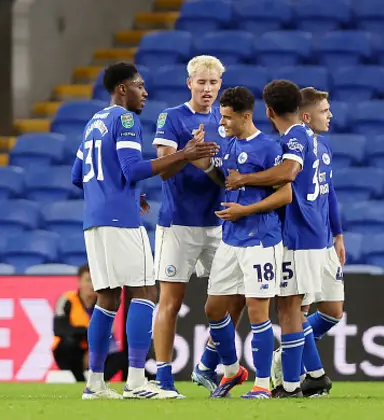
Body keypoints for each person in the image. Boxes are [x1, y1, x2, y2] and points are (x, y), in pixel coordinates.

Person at [71, 62, 219, 399]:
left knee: (107, 298)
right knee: (143, 293)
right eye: (139, 85)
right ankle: (136, 382)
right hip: (120, 221)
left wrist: (117, 191)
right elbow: (132, 168)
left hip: (93, 220)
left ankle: (95, 383)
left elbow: (77, 175)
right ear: (123, 88)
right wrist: (185, 153)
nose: (145, 93)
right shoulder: (125, 119)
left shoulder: (93, 121)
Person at [151, 55, 246, 396]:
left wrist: (212, 168)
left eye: (213, 82)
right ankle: (163, 378)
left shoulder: (229, 121)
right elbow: (162, 169)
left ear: (221, 84)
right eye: (201, 82)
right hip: (179, 223)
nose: (207, 88)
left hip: (219, 223)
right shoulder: (172, 117)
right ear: (188, 83)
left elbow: (230, 176)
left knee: (236, 297)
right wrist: (187, 153)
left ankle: (206, 363)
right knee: (171, 301)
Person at [226, 80, 327, 398]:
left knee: (290, 311)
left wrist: (245, 178)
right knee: (292, 310)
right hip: (307, 232)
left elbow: (287, 173)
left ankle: (293, 384)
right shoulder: (302, 135)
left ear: (268, 111)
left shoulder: (296, 135)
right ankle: (307, 378)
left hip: (299, 233)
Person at [191, 86, 292, 399]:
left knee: (258, 311)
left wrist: (244, 210)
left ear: (246, 116)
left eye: (228, 117)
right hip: (231, 238)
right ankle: (233, 371)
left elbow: (285, 193)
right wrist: (205, 166)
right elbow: (227, 180)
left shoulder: (268, 147)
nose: (223, 122)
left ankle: (262, 384)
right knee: (213, 307)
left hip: (260, 239)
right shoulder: (228, 144)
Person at [270, 87, 344, 397]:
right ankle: (306, 378)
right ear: (305, 115)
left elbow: (330, 194)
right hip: (298, 238)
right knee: (295, 311)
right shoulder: (294, 141)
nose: (330, 115)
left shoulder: (323, 144)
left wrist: (338, 234)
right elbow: (285, 182)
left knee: (332, 311)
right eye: (324, 110)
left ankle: (301, 362)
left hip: (322, 240)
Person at [52, 264, 125, 382]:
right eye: (88, 280)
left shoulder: (106, 304)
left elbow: (109, 335)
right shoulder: (67, 300)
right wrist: (86, 334)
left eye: (95, 281)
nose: (91, 286)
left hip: (94, 350)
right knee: (68, 344)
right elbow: (60, 329)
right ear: (79, 282)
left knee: (121, 356)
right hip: (72, 350)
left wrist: (93, 350)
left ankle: (98, 381)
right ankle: (80, 380)